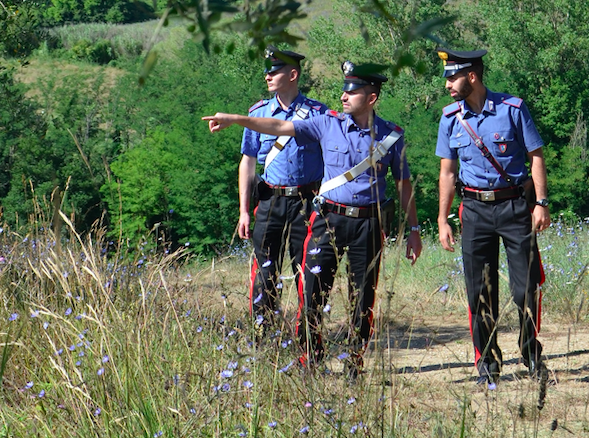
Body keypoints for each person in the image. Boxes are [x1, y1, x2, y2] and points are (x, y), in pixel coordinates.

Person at [205, 61, 422, 377]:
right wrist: (235, 120)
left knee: (362, 297)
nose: (344, 97)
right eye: (344, 90)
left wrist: (413, 229)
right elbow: (278, 128)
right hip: (328, 220)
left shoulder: (391, 136)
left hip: (369, 224)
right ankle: (311, 357)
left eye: (353, 91)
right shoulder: (326, 123)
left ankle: (353, 361)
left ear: (371, 98)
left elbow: (404, 184)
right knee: (312, 292)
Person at [435, 49, 551, 389]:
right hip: (473, 211)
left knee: (525, 289)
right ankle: (488, 363)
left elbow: (536, 156)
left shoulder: (511, 109)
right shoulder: (449, 119)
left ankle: (531, 355)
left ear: (471, 77)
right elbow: (446, 172)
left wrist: (541, 202)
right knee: (479, 293)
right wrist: (443, 219)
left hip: (515, 207)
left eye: (452, 77)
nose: (447, 85)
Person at [239, 48, 327, 332]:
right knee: (264, 273)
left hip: (306, 201)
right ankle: (264, 340)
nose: (267, 75)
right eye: (267, 70)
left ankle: (307, 343)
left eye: (274, 71)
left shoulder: (318, 114)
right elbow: (248, 162)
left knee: (308, 274)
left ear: (292, 74)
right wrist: (243, 211)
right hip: (269, 202)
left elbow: (331, 160)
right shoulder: (258, 114)